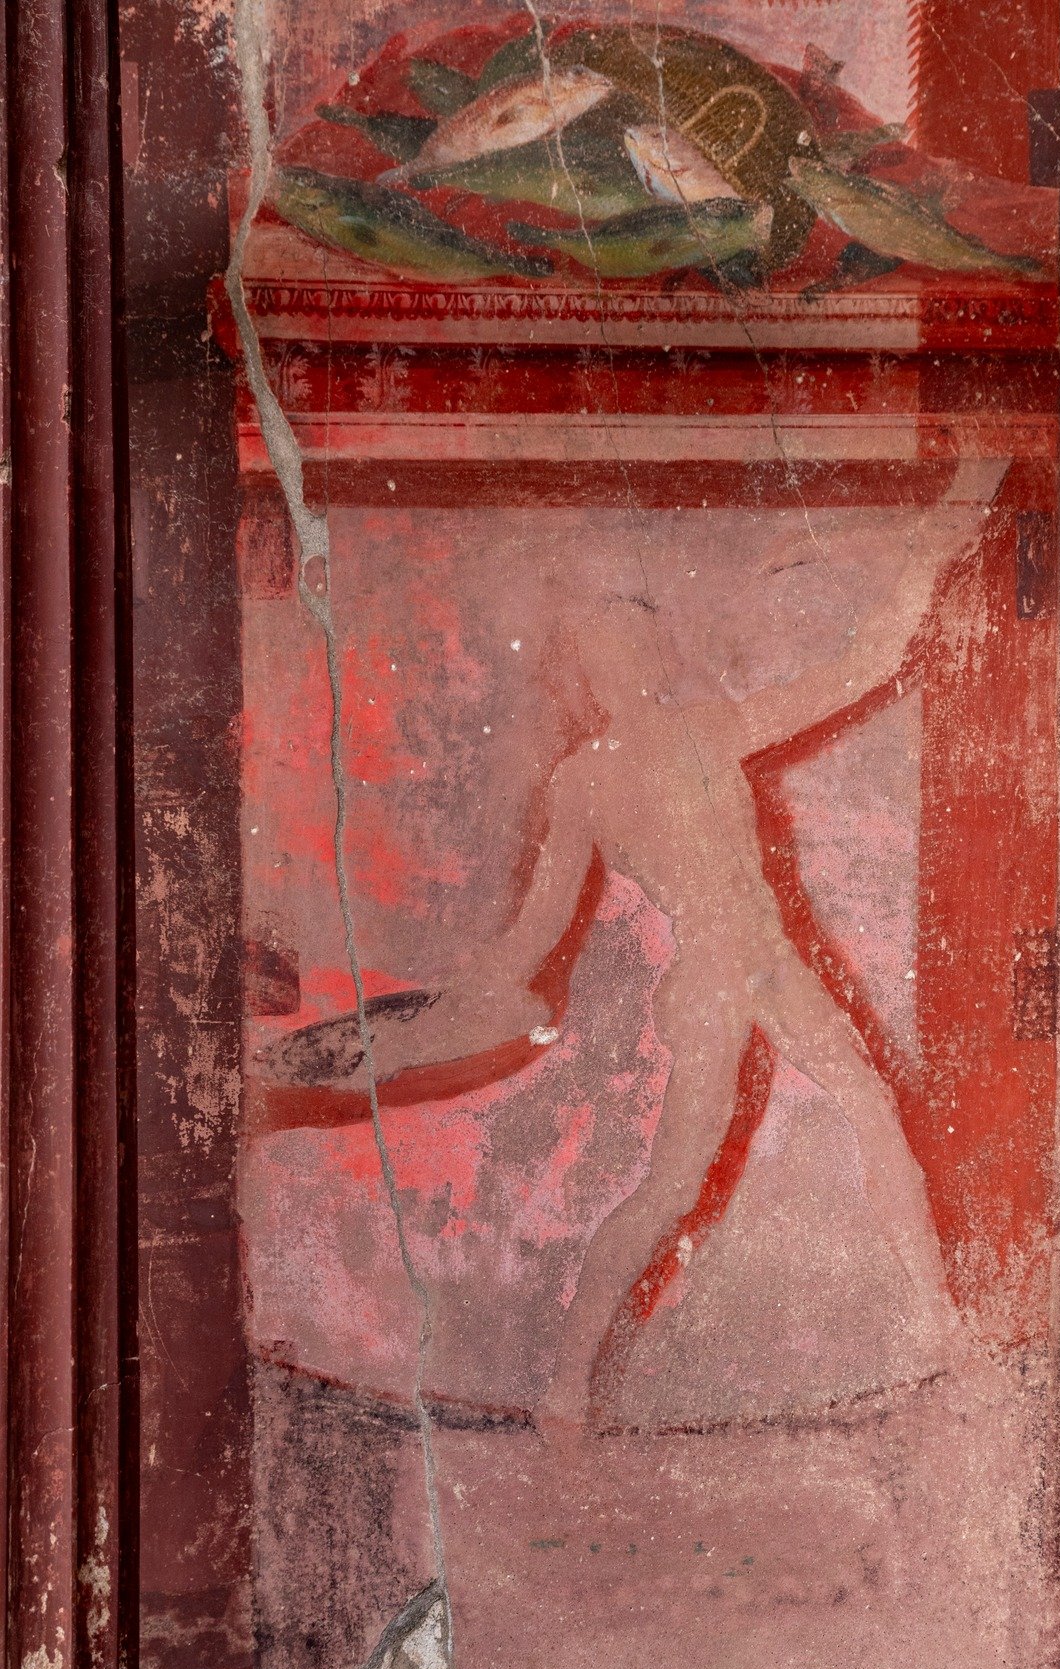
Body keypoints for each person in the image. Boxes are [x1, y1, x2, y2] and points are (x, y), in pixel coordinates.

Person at [266, 457, 1005, 1431]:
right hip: (716, 979)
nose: (636, 661)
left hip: (764, 965)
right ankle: (569, 1379)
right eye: (617, 648)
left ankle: (940, 1323)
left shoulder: (685, 738)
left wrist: (939, 538)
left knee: (859, 1111)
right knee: (674, 1184)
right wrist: (464, 1001)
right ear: (601, 671)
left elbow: (864, 664)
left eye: (638, 642)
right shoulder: (611, 770)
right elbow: (536, 930)